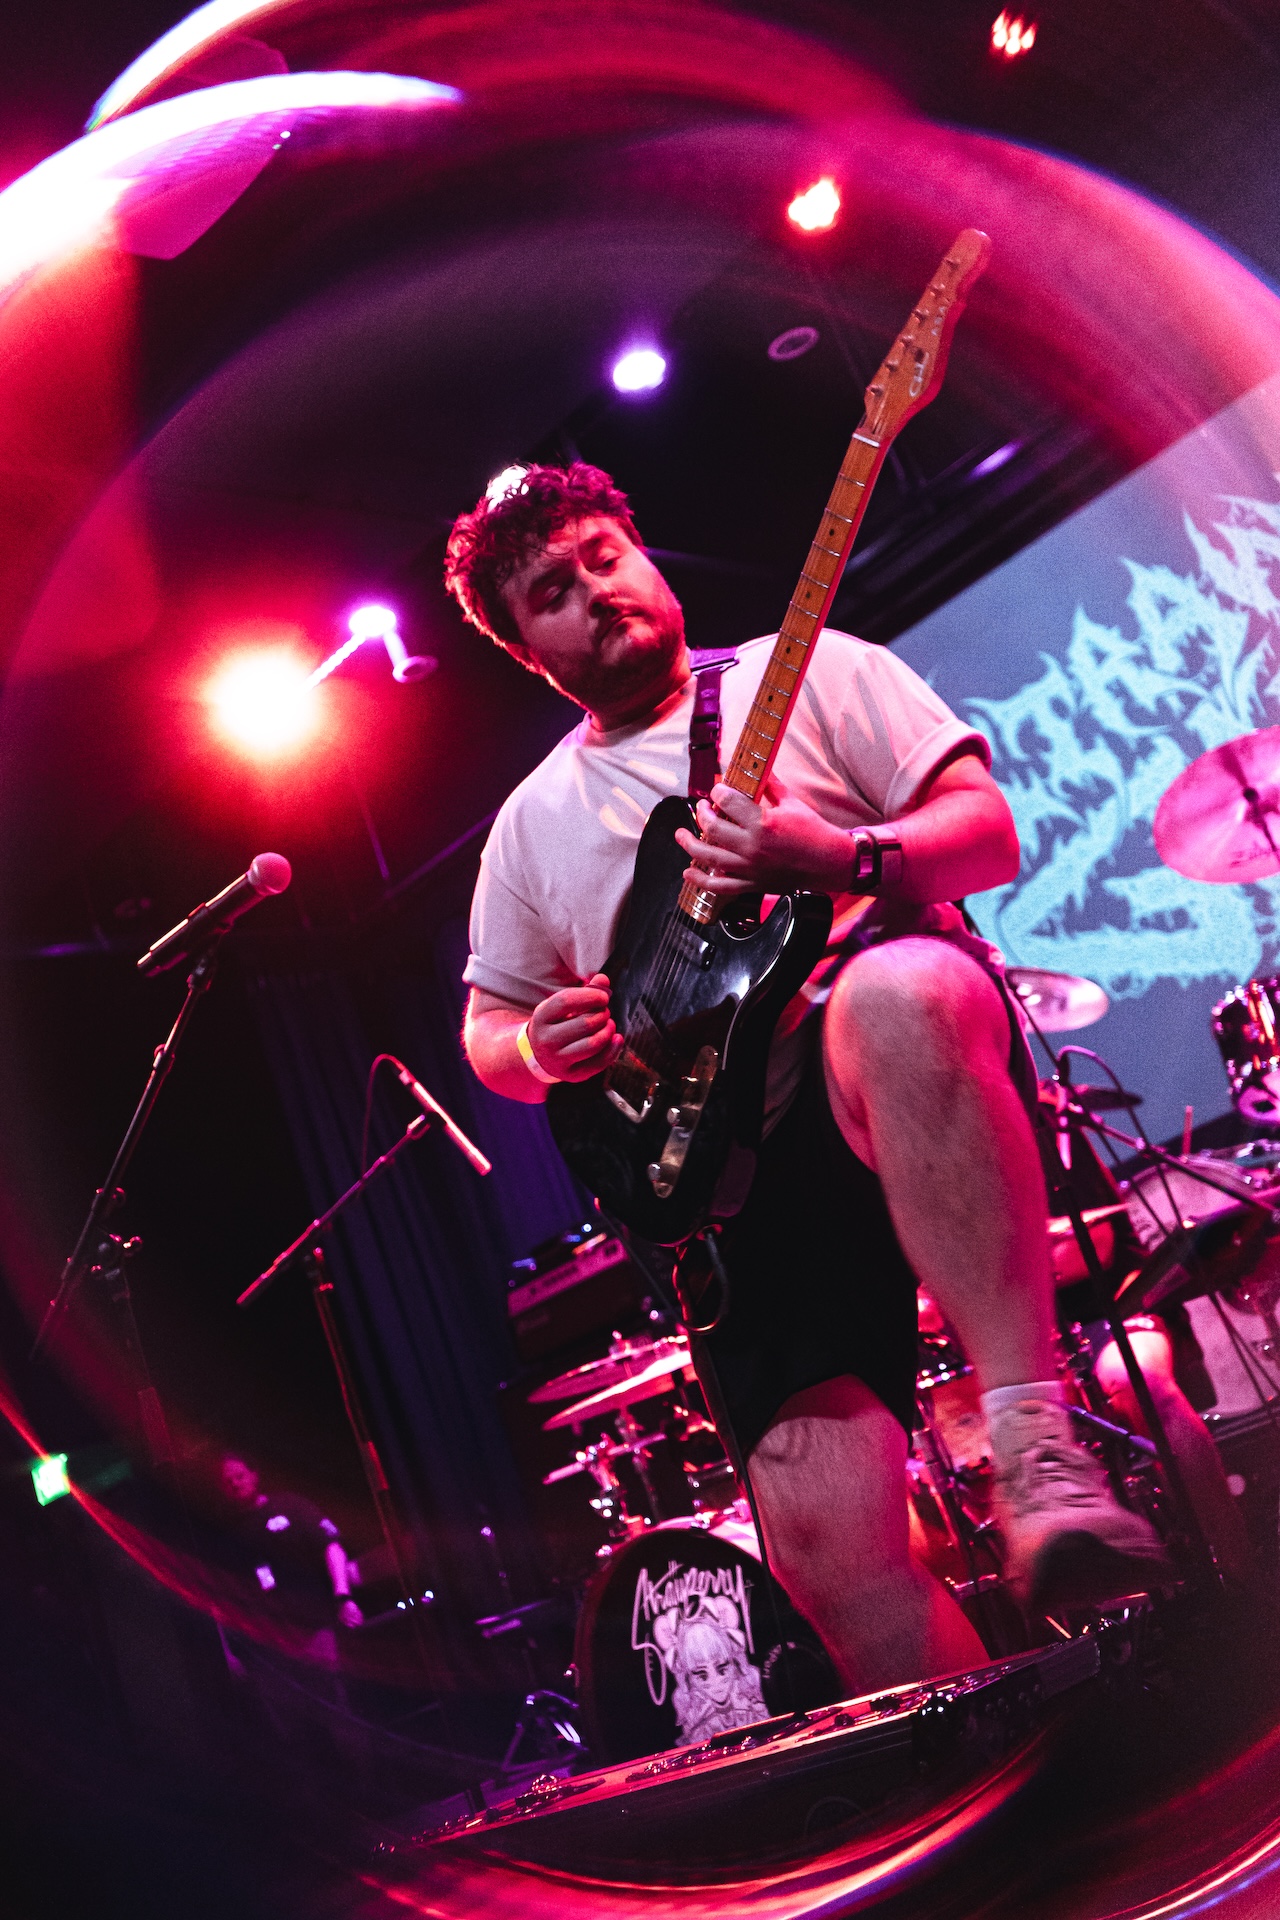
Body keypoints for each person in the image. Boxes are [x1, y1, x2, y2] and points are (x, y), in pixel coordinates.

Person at [448, 461, 1170, 1699]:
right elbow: (486, 1029)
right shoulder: (530, 824)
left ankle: (1030, 1444)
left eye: (604, 556)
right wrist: (533, 1048)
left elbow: (984, 833)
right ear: (525, 650)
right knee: (829, 1552)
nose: (597, 591)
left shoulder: (814, 671)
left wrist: (837, 854)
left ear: (643, 554)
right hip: (731, 1178)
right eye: (552, 592)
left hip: (885, 1065)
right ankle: (1013, 1769)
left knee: (898, 993)